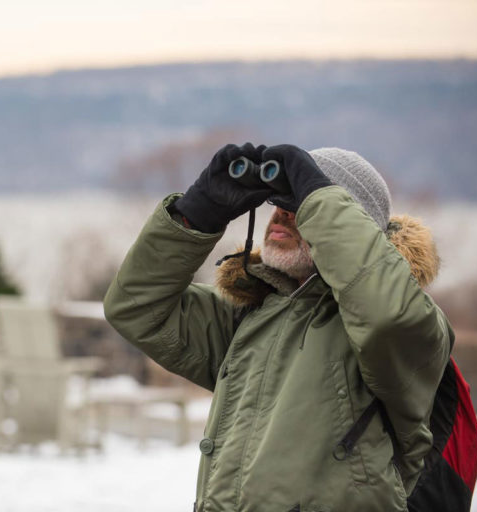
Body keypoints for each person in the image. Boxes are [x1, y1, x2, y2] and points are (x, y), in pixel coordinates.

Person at [103, 143, 452, 511]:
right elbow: (134, 308)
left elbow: (384, 315)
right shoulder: (250, 316)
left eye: (300, 204)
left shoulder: (411, 326)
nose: (283, 214)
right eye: (279, 201)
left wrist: (317, 194)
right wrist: (196, 216)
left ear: (354, 228)